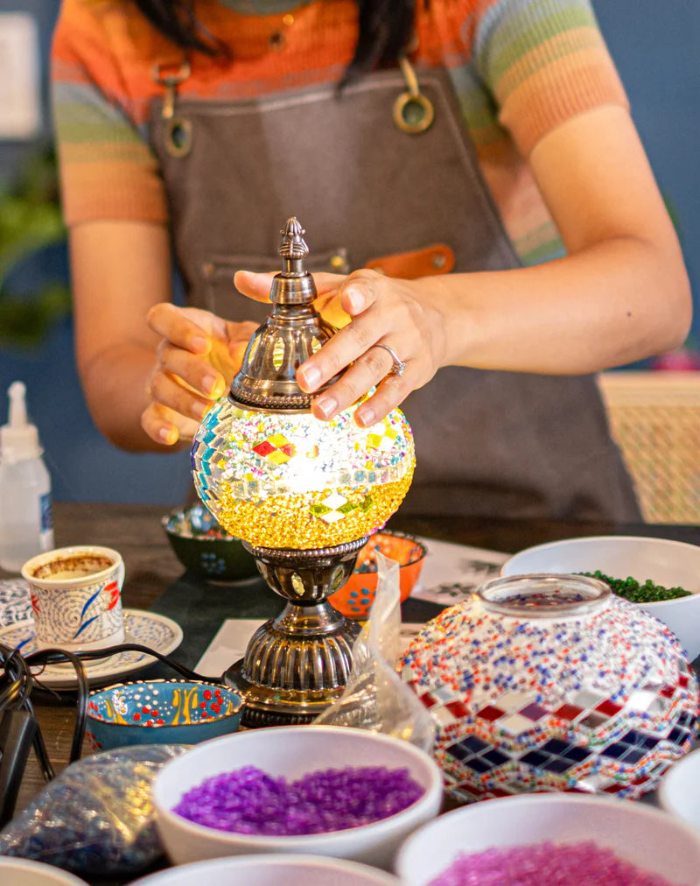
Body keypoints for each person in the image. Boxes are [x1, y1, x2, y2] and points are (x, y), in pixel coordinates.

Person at [51, 0, 691, 520]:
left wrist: (437, 318)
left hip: (527, 530)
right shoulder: (107, 27)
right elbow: (115, 358)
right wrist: (183, 385)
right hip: (265, 537)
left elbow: (654, 292)